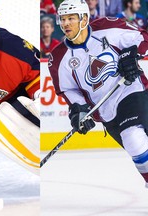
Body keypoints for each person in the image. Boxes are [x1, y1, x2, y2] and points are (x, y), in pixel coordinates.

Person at [48, 0, 148, 188]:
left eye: (71, 18)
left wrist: (132, 54)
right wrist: (78, 110)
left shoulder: (107, 27)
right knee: (137, 147)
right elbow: (68, 90)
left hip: (131, 90)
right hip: (106, 112)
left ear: (84, 19)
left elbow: (142, 38)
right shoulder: (58, 58)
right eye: (63, 19)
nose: (66, 23)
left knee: (134, 138)